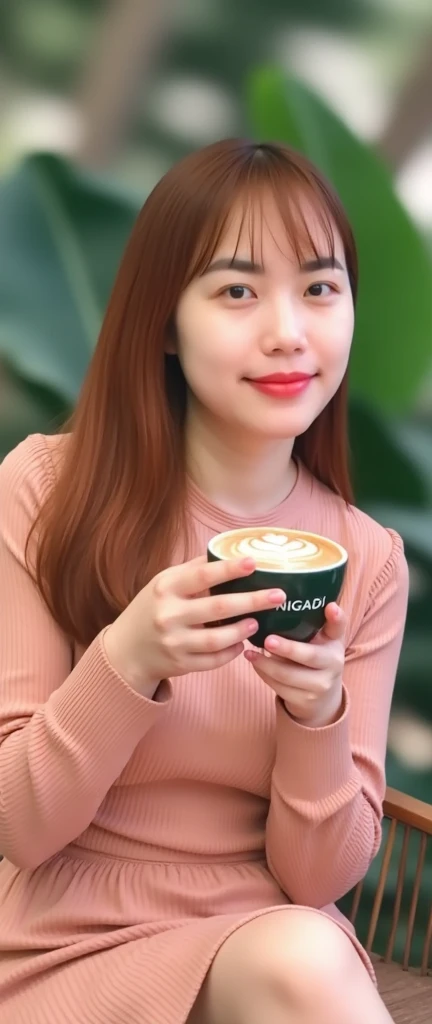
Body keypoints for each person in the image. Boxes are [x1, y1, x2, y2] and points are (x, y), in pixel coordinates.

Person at [0, 138, 409, 1024]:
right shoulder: (43, 490)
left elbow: (321, 879)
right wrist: (128, 656)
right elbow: (20, 824)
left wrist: (317, 716)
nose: (288, 332)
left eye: (319, 288)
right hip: (64, 933)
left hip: (266, 941)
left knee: (305, 955)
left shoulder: (367, 557)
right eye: (236, 291)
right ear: (162, 320)